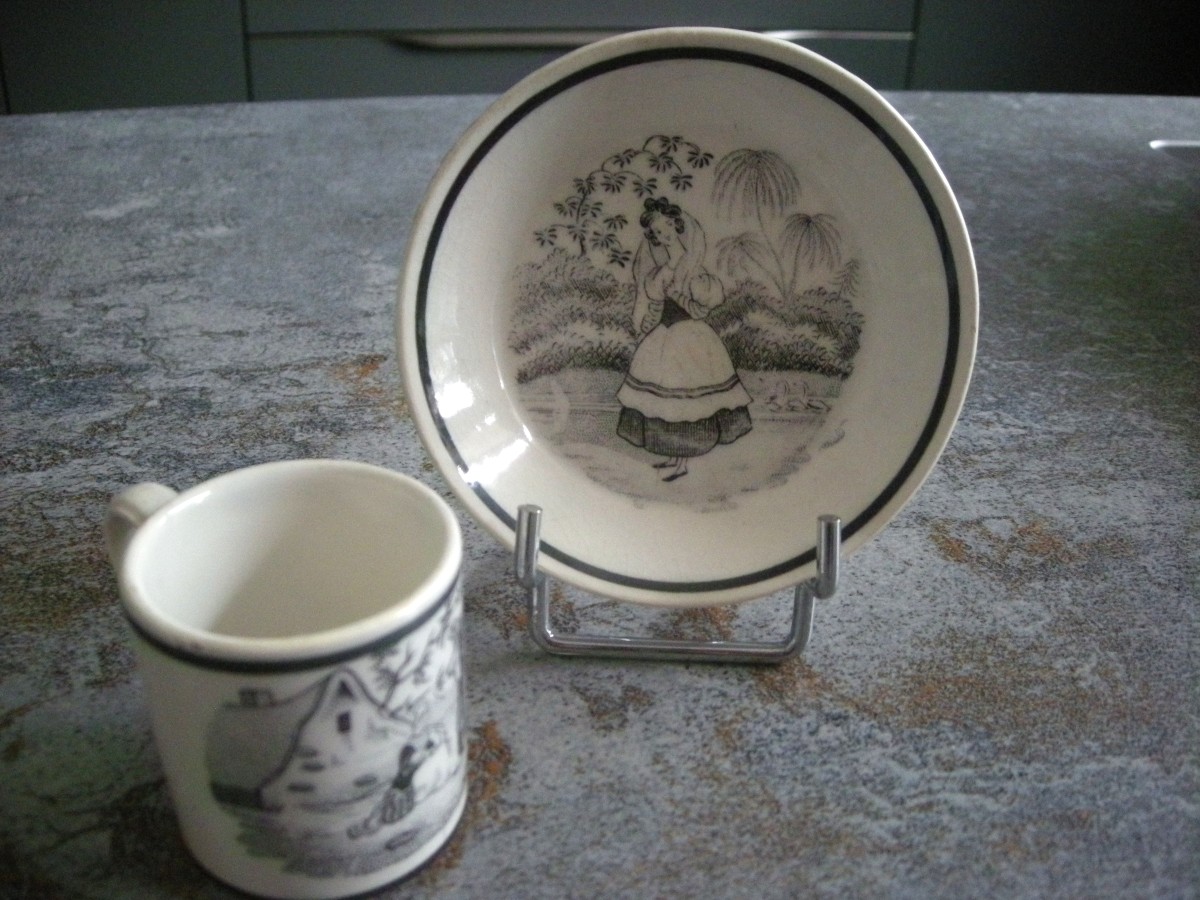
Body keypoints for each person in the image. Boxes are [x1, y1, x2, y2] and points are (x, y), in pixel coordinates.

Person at [616, 197, 752, 481]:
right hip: (663, 336)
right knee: (666, 399)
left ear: (676, 225)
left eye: (666, 227)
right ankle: (673, 456)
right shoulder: (661, 270)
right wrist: (648, 321)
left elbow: (703, 308)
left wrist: (679, 293)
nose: (662, 234)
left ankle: (683, 463)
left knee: (689, 398)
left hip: (691, 337)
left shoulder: (693, 269)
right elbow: (655, 302)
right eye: (656, 231)